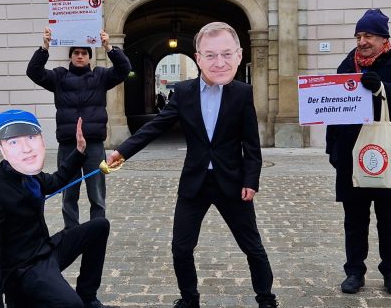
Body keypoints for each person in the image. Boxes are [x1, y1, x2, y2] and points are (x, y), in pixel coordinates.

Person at [105, 22, 278, 308]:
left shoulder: (242, 93)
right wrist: (122, 152)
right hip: (195, 182)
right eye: (210, 55)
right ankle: (189, 299)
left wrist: (251, 180)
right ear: (198, 58)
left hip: (232, 183)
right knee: (181, 247)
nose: (219, 62)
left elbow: (251, 144)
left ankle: (266, 298)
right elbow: (156, 126)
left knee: (252, 247)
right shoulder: (184, 92)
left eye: (226, 54)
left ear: (237, 56)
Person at [325, 9, 391, 295]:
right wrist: (333, 146)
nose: (362, 41)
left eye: (367, 35)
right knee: (354, 218)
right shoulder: (347, 63)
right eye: (358, 36)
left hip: (385, 151)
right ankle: (354, 271)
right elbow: (335, 107)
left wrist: (381, 87)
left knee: (389, 217)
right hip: (351, 152)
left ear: (383, 38)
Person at [0, 110, 110, 308]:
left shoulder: (32, 175)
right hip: (24, 269)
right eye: (14, 142)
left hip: (47, 251)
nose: (26, 148)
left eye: (31, 138)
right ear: (1, 148)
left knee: (99, 226)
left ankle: (88, 296)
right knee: (71, 305)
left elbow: (57, 180)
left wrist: (79, 151)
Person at [26, 27, 132, 229]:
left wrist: (109, 46)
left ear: (89, 57)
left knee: (97, 194)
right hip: (69, 145)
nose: (80, 56)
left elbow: (123, 70)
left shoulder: (100, 77)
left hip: (93, 145)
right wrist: (44, 47)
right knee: (69, 192)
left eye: (84, 53)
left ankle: (96, 229)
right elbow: (34, 72)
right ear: (71, 56)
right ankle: (71, 232)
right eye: (76, 53)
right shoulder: (59, 77)